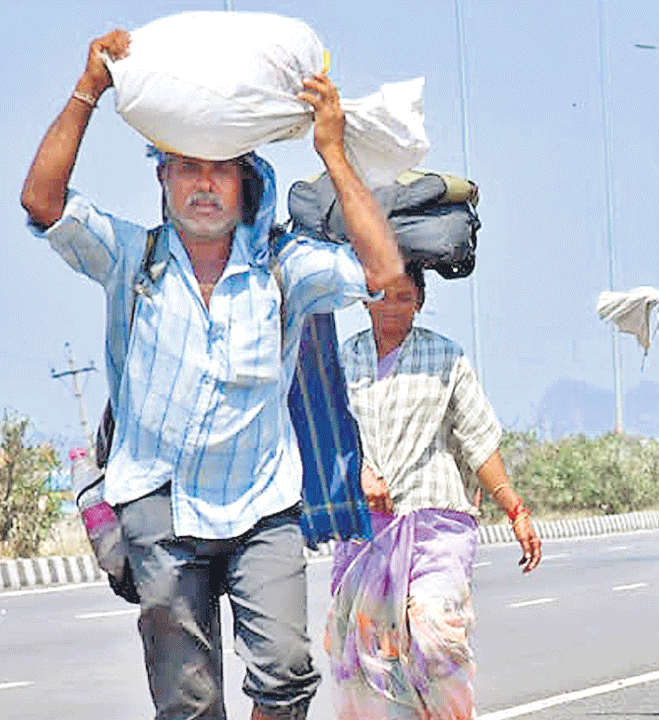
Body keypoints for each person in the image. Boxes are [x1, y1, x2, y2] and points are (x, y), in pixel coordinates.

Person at [20, 31, 404, 720]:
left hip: (262, 504)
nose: (203, 184)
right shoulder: (128, 260)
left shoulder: (285, 268)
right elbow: (44, 204)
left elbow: (383, 277)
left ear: (245, 183)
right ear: (163, 179)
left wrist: (333, 152)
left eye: (220, 170)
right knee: (188, 704)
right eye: (186, 168)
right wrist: (89, 88)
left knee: (287, 676)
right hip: (157, 504)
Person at [327, 262, 541, 719]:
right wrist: (359, 474)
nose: (392, 308)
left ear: (420, 303)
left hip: (435, 526)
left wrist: (515, 509)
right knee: (373, 662)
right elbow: (326, 437)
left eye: (404, 297)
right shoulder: (343, 361)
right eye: (381, 296)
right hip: (364, 531)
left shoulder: (446, 358)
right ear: (364, 299)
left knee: (435, 637)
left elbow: (479, 440)